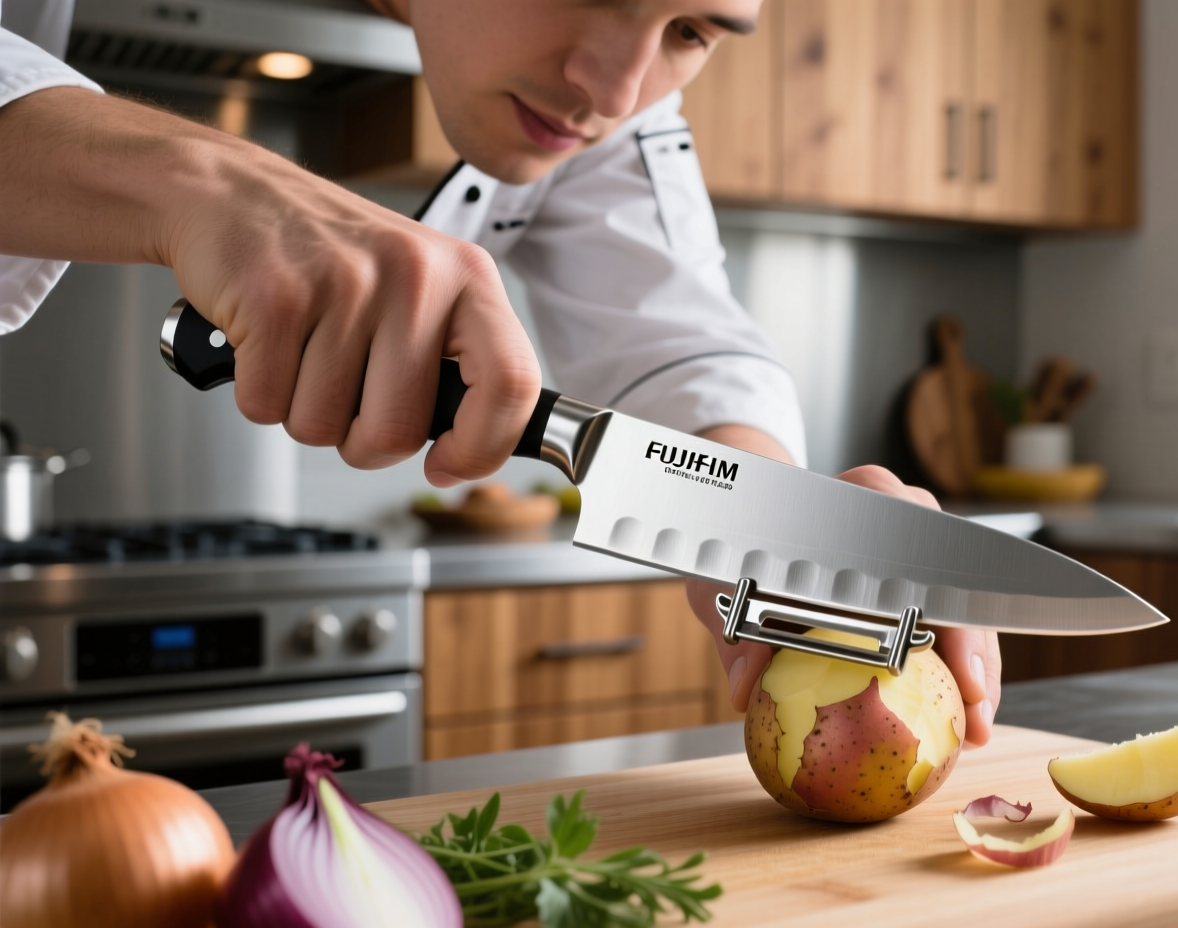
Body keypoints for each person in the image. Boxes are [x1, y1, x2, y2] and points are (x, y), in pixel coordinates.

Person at [0, 0, 1001, 744]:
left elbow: (674, 342)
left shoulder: (595, 95)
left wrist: (770, 516)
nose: (613, 91)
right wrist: (203, 180)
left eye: (692, 31)